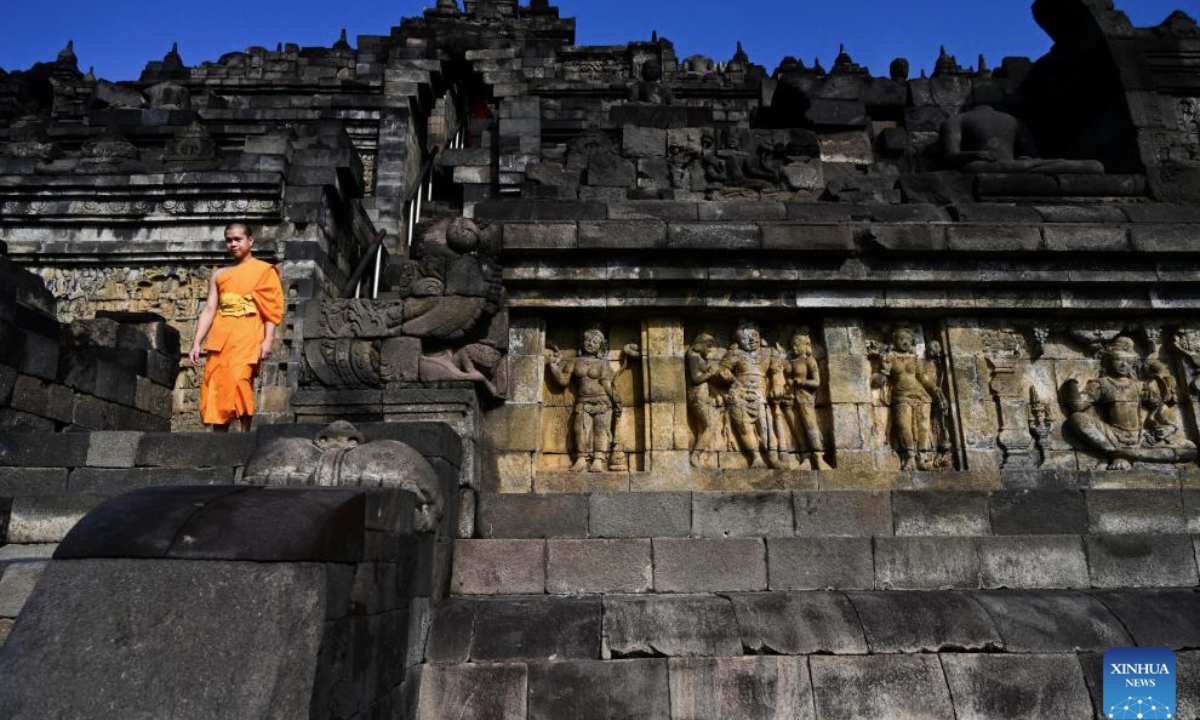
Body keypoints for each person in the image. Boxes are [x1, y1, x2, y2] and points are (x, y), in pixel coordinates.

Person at [189, 223, 284, 432]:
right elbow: (210, 309)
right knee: (218, 386)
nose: (233, 244)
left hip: (248, 334)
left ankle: (244, 436)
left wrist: (268, 340)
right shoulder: (219, 275)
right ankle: (219, 440)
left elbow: (271, 310)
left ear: (250, 241)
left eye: (237, 239)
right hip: (221, 336)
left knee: (241, 380)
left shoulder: (264, 270)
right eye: (229, 240)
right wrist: (196, 343)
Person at [546, 327, 619, 472]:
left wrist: (617, 401)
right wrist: (553, 367)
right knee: (579, 430)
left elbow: (606, 384)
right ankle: (580, 458)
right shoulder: (575, 361)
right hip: (583, 400)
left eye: (595, 342)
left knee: (600, 429)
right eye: (587, 340)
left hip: (602, 401)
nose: (590, 344)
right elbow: (563, 381)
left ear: (600, 346)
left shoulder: (602, 363)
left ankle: (598, 460)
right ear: (582, 342)